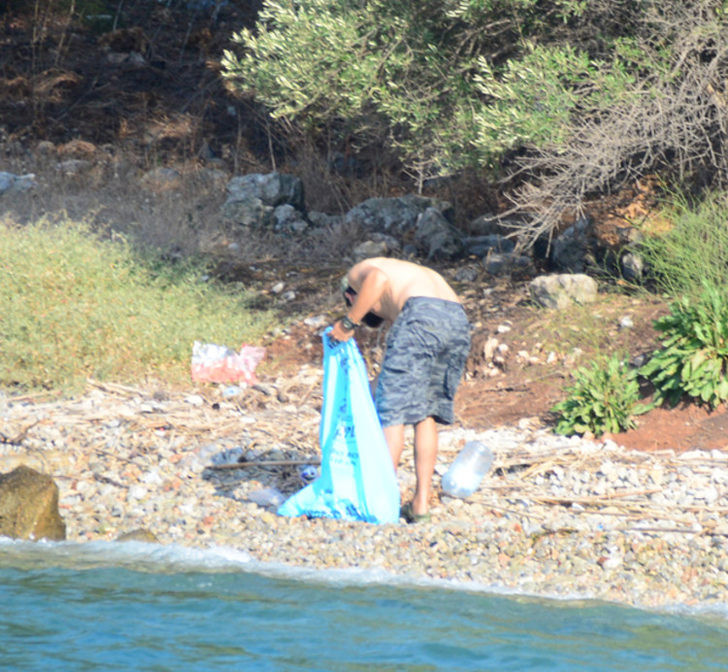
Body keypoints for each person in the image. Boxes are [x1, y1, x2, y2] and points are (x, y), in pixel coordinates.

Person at [329, 257, 471, 522]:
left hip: (421, 315)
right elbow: (400, 373)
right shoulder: (410, 278)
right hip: (458, 320)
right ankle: (420, 505)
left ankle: (379, 502)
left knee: (391, 413)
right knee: (424, 414)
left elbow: (377, 280)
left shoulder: (356, 274)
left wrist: (349, 322)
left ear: (351, 295)